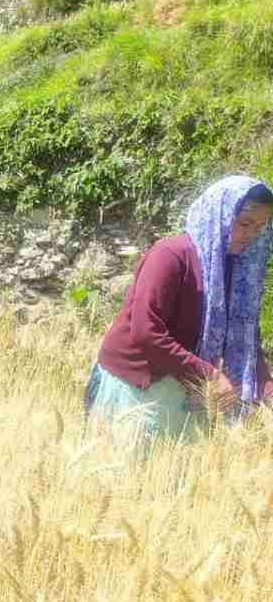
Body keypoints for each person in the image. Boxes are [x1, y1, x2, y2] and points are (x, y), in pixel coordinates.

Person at [85, 175, 273, 440]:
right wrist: (208, 374)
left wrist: (266, 390)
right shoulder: (171, 255)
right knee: (129, 476)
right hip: (138, 386)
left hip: (189, 389)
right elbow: (146, 331)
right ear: (219, 213)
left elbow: (247, 340)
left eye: (260, 228)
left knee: (175, 479)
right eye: (245, 224)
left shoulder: (238, 271)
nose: (251, 236)